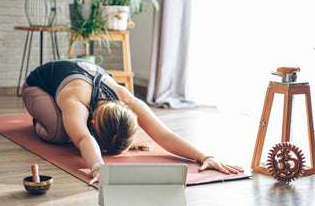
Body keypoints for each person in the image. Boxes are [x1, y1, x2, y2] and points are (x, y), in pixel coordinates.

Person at [21, 59, 243, 185]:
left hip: (75, 83)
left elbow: (164, 135)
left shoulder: (128, 100)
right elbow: (83, 137)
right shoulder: (76, 100)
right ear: (93, 121)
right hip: (36, 88)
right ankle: (41, 119)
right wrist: (98, 167)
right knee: (61, 132)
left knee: (69, 128)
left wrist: (205, 156)